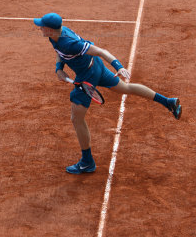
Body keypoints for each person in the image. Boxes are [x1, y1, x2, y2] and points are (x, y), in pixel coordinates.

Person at [34, 12, 182, 175]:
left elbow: (101, 51)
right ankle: (167, 101)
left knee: (77, 118)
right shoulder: (58, 33)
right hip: (94, 67)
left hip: (87, 75)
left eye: (42, 26)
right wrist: (59, 68)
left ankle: (87, 162)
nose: (39, 27)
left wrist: (118, 66)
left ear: (49, 29)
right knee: (125, 89)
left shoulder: (69, 43)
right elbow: (59, 52)